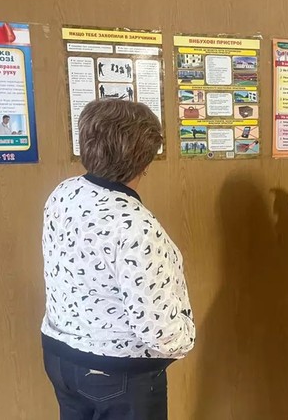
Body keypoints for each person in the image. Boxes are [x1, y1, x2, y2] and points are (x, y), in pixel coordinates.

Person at [41, 99, 195, 420]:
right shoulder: (136, 227)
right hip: (118, 373)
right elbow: (158, 330)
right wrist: (185, 337)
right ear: (145, 160)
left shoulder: (64, 193)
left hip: (60, 357)